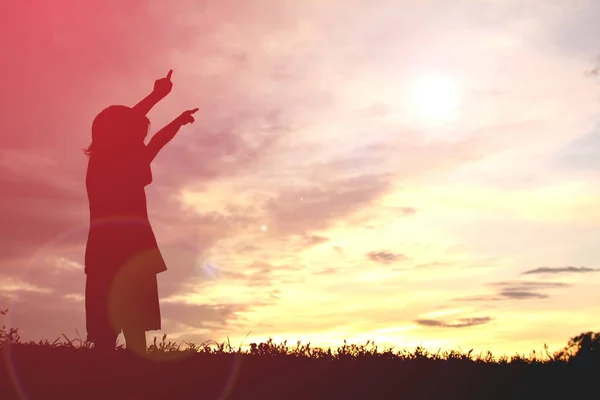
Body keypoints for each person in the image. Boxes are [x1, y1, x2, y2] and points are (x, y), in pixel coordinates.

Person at [83, 70, 198, 355]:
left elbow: (155, 141)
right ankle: (111, 361)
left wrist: (177, 120)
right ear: (119, 136)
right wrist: (157, 97)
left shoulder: (124, 158)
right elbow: (132, 127)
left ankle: (123, 359)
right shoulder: (107, 160)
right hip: (117, 244)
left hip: (126, 243)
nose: (141, 140)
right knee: (116, 313)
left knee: (128, 315)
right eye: (136, 135)